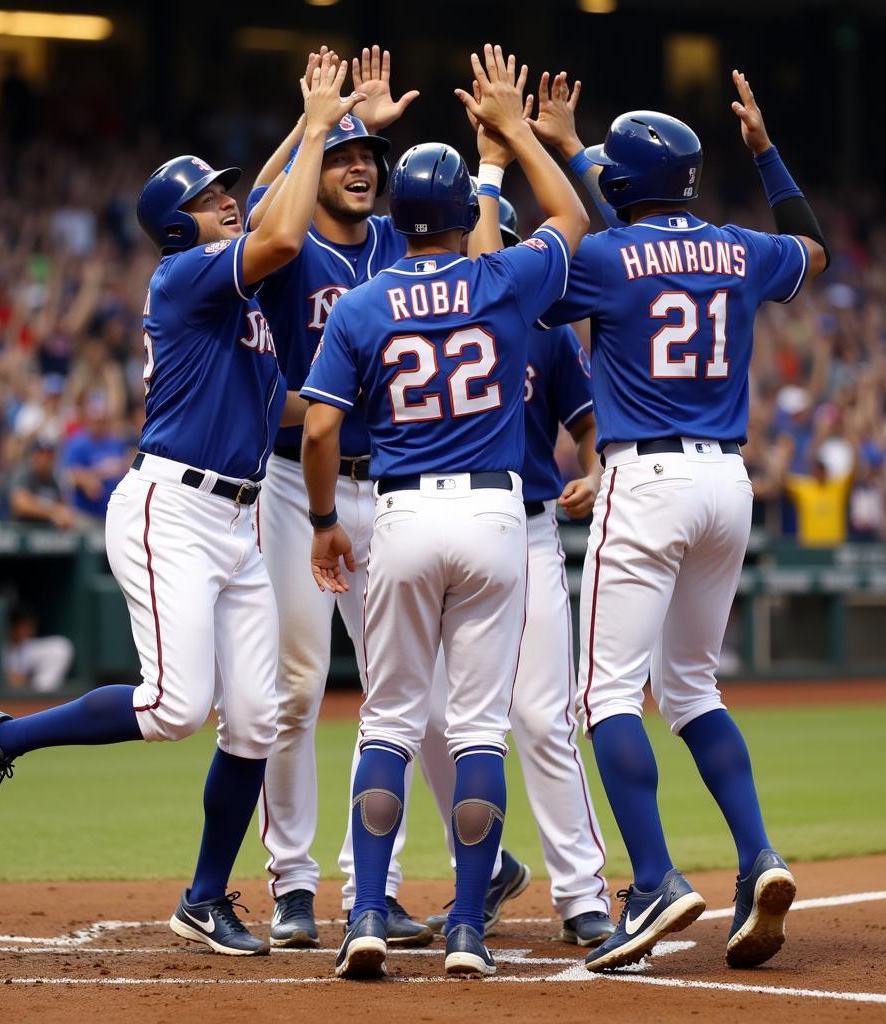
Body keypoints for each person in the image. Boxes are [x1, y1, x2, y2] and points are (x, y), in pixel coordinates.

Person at [0, 52, 366, 958]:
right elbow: (282, 237)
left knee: (255, 717)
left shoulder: (228, 281)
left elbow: (275, 397)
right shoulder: (187, 276)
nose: (229, 200)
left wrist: (308, 117)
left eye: (227, 192)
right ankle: (2, 736)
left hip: (240, 517)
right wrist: (319, 124)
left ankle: (206, 897)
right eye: (212, 197)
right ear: (180, 225)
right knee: (174, 707)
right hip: (168, 506)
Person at [300, 45, 588, 979]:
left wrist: (320, 522)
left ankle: (367, 917)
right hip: (499, 523)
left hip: (402, 516)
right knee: (475, 730)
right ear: (468, 215)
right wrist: (510, 135)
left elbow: (317, 432)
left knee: (387, 719)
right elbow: (574, 217)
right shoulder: (501, 282)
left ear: (395, 213)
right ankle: (468, 926)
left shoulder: (365, 302)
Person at [531, 69, 828, 971]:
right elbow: (813, 247)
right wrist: (768, 152)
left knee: (606, 696)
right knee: (693, 687)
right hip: (728, 484)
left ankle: (656, 878)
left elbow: (565, 265)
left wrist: (552, 150)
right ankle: (759, 857)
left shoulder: (604, 255)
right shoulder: (740, 249)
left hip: (645, 475)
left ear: (618, 186)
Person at [246, 45, 428, 948]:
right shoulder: (289, 247)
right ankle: (290, 882)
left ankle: (376, 886)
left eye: (372, 161)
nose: (361, 169)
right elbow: (253, 215)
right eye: (347, 158)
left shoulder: (401, 243)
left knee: (397, 694)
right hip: (292, 486)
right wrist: (314, 125)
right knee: (297, 687)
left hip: (388, 490)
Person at [416, 181, 613, 947]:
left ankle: (582, 893)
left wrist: (592, 469)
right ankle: (491, 866)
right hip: (430, 526)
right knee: (431, 718)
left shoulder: (542, 329)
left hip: (526, 528)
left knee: (539, 715)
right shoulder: (409, 313)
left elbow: (589, 423)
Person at [10, 436, 77, 529]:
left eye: (49, 454)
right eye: (41, 453)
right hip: (23, 534)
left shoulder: (54, 478)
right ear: (34, 455)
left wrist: (64, 517)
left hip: (49, 535)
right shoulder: (24, 474)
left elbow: (64, 509)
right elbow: (21, 505)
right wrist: (52, 512)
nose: (44, 459)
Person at [4, 608, 74, 693]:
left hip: (30, 693)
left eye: (30, 627)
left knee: (60, 645)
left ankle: (41, 697)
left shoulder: (29, 646)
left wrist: (27, 681)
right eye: (23, 627)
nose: (29, 631)